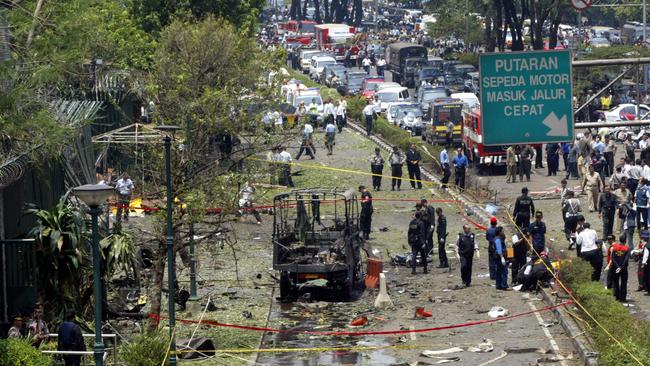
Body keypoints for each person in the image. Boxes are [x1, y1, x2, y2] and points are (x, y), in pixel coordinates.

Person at [605, 235, 630, 302]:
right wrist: (621, 267)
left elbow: (612, 258)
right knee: (623, 283)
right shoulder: (627, 248)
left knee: (615, 282)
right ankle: (623, 298)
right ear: (625, 241)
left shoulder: (615, 248)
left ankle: (616, 296)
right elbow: (626, 259)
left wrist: (617, 266)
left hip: (615, 268)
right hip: (624, 268)